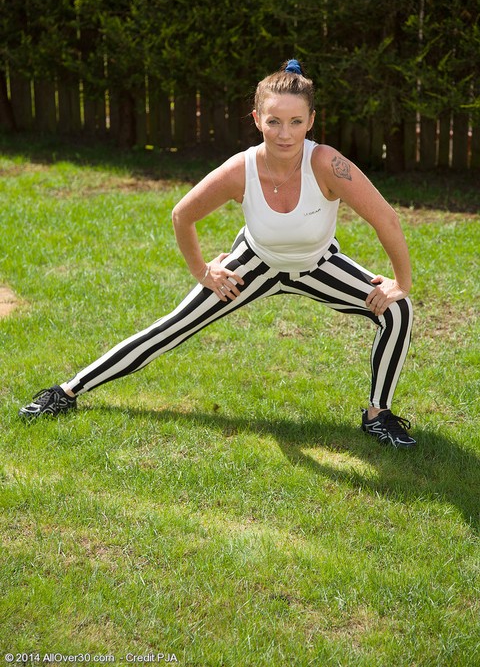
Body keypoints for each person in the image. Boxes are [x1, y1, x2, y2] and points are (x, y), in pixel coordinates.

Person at [19, 59, 415, 448]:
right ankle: (66, 392)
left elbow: (387, 221)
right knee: (170, 329)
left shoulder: (328, 163)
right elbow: (182, 215)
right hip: (255, 263)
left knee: (398, 310)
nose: (284, 133)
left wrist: (402, 283)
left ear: (311, 121)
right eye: (274, 121)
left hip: (317, 264)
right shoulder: (239, 170)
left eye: (296, 122)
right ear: (257, 118)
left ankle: (377, 415)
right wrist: (202, 271)